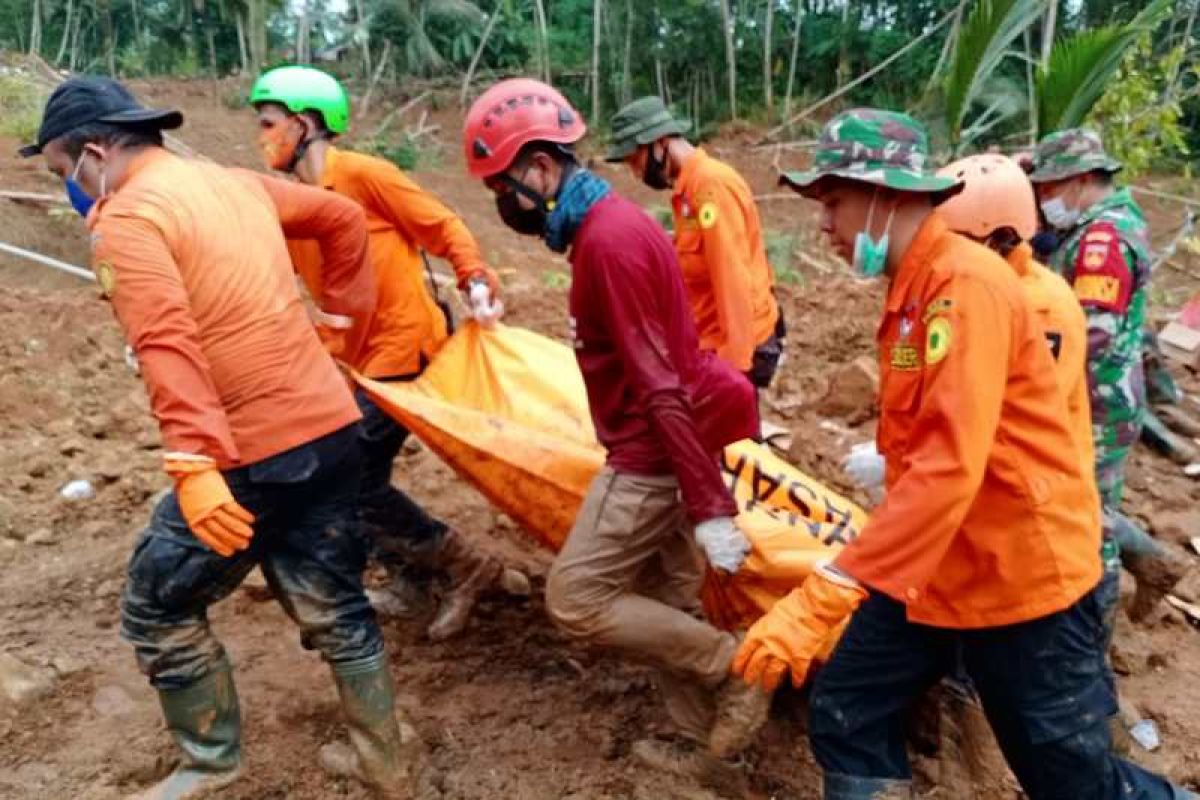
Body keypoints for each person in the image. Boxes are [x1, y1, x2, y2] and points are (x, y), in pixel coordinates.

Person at [735, 108, 1194, 800]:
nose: (822, 226)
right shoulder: (915, 289)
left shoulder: (964, 286)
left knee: (1071, 782)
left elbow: (948, 468)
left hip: (1018, 576)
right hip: (935, 565)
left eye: (831, 203)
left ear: (886, 195)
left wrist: (830, 587)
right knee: (848, 706)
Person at [22, 76, 438, 799]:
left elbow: (165, 343)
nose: (72, 190)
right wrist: (339, 322)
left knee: (157, 607)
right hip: (332, 429)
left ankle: (212, 764)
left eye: (65, 173)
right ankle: (385, 768)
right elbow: (341, 220)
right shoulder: (232, 182)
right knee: (335, 604)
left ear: (94, 153)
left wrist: (192, 463)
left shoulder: (128, 218)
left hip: (252, 452)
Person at [461, 78, 770, 783]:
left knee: (576, 599)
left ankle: (736, 669)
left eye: (504, 187)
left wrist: (709, 505)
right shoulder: (607, 230)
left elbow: (660, 382)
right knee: (667, 601)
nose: (505, 205)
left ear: (539, 168)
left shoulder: (611, 243)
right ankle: (713, 753)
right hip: (661, 435)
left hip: (653, 450)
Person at [248, 65, 527, 641]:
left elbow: (442, 225)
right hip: (353, 363)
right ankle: (413, 577)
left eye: (270, 124)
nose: (263, 137)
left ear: (305, 124)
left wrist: (473, 275)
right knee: (345, 477)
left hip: (405, 348)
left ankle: (465, 565)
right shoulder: (288, 202)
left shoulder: (364, 176)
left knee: (347, 477)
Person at [1028, 128, 1188, 623]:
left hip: (1096, 400)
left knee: (1082, 518)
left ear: (1078, 180)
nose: (1042, 200)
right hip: (1100, 395)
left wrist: (1029, 379)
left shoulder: (1103, 239)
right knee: (1082, 507)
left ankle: (1092, 637)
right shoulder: (1101, 224)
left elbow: (1091, 331)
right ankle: (1145, 564)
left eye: (1047, 189)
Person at [606, 96, 784, 390]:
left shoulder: (710, 187)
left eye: (635, 161)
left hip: (734, 349)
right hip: (708, 342)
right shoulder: (688, 192)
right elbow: (695, 254)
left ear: (660, 143)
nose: (636, 174)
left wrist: (734, 372)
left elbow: (732, 280)